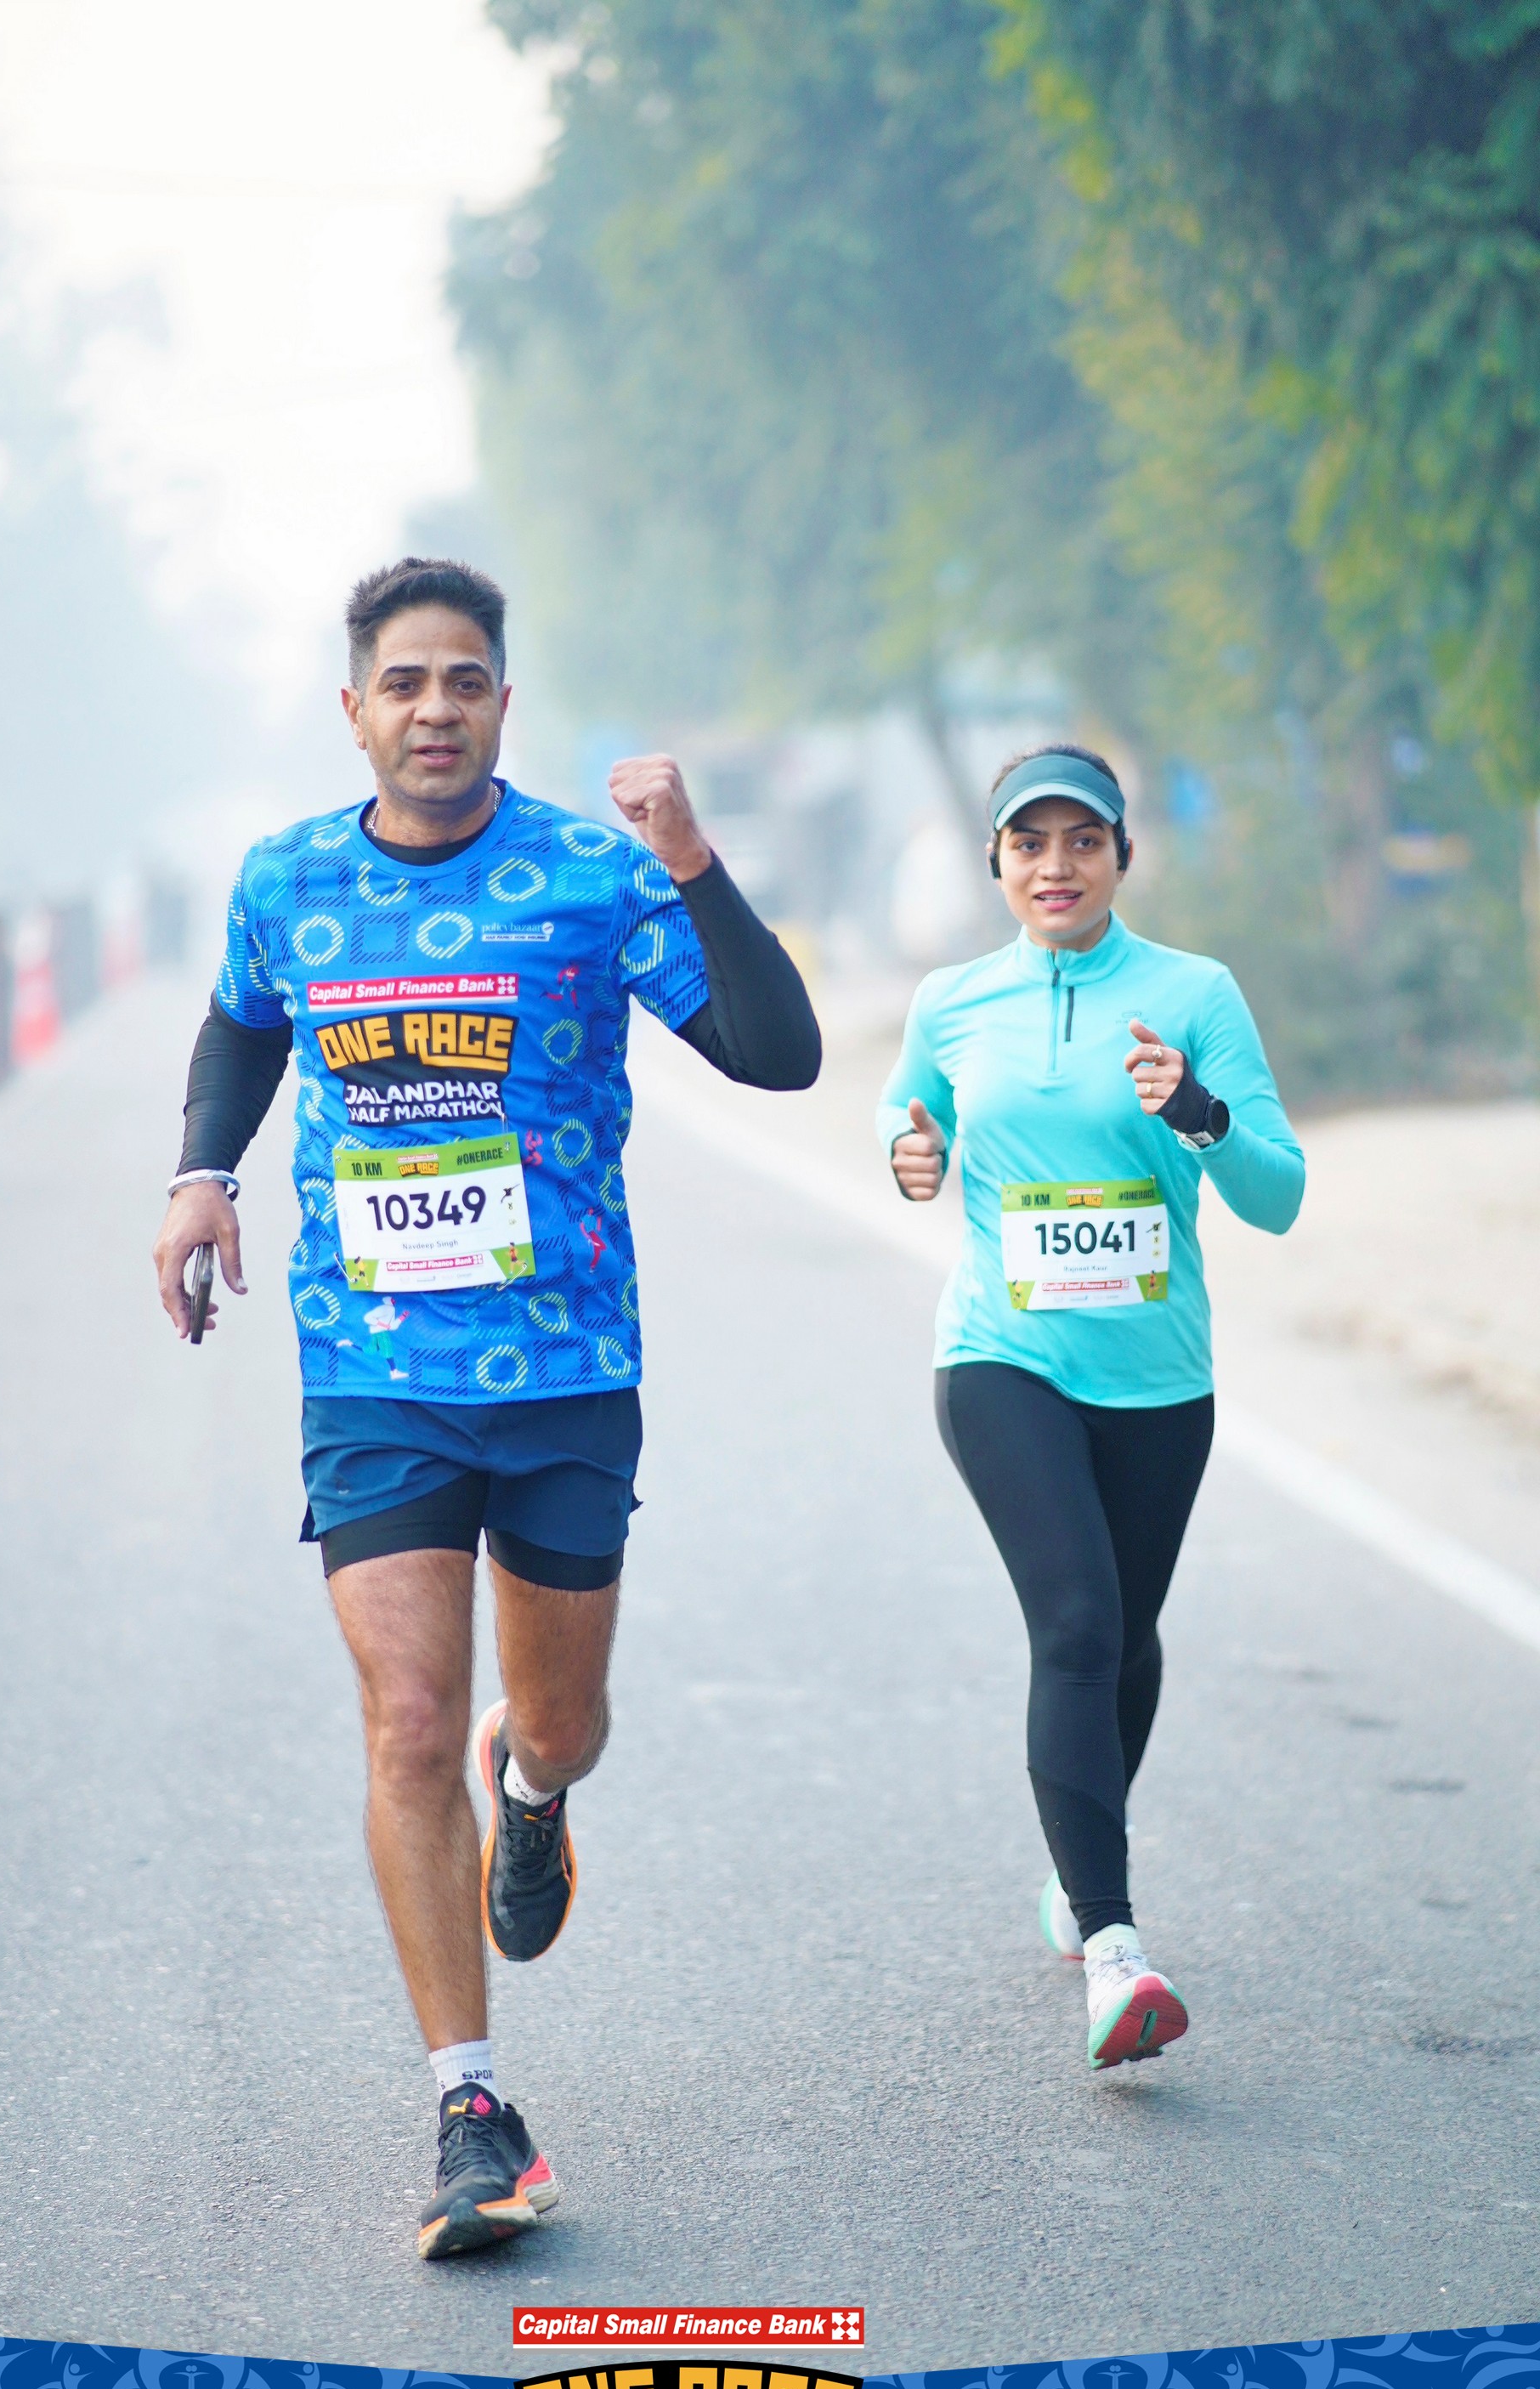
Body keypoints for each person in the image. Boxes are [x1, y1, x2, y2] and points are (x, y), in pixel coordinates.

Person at [152, 557, 819, 2256]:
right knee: (403, 1718)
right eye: (404, 682)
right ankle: (470, 2109)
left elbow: (779, 1054)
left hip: (566, 1367)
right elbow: (241, 1030)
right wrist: (201, 1175)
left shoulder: (595, 874)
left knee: (562, 1720)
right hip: (373, 1366)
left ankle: (535, 1790)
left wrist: (696, 864)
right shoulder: (288, 878)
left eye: (464, 681)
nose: (434, 709)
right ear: (354, 709)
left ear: (504, 704)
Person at [878, 744, 1304, 2071]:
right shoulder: (953, 1001)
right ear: (996, 862)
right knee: (1074, 1622)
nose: (1054, 866)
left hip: (1160, 1379)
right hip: (1001, 1358)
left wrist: (1199, 1111)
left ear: (1123, 854)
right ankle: (1115, 1951)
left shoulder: (1195, 993)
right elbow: (908, 1116)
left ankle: (1078, 1865)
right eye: (1029, 844)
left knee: (1126, 1637)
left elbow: (1280, 1194)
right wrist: (909, 1152)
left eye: (1082, 841)